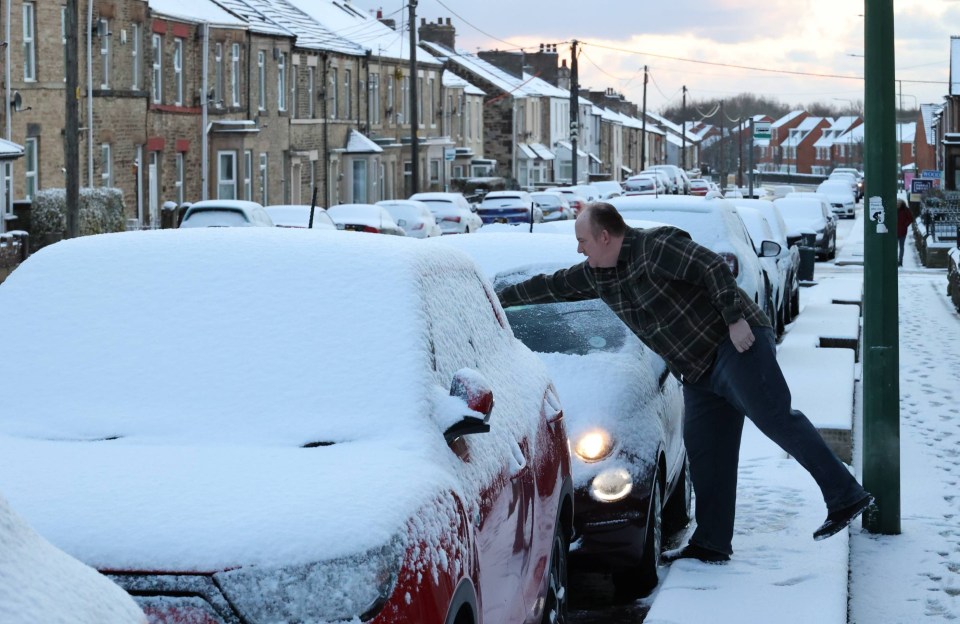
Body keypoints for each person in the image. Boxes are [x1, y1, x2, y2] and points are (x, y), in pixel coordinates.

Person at [497, 202, 873, 564]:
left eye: (583, 241)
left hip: (733, 343)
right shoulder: (598, 274)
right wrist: (496, 300)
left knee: (774, 417)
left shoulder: (655, 247)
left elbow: (711, 266)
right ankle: (711, 542)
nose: (579, 249)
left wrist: (735, 317)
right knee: (707, 451)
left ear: (606, 236)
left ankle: (844, 495)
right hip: (697, 369)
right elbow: (550, 286)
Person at [897, 199, 914, 267]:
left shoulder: (906, 210)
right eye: (897, 203)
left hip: (902, 231)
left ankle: (900, 261)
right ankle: (894, 260)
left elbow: (910, 219)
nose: (897, 204)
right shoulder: (893, 209)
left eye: (899, 203)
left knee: (901, 247)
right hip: (894, 231)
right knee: (894, 247)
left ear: (902, 204)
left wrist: (905, 224)